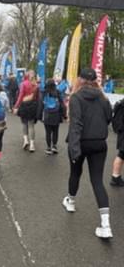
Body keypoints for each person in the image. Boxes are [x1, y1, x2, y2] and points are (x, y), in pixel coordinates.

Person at [63, 68, 114, 239]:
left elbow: (76, 124)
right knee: (97, 181)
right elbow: (108, 118)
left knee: (75, 173)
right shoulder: (103, 98)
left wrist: (74, 149)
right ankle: (105, 225)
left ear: (80, 80)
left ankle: (71, 201)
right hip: (99, 142)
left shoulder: (76, 98)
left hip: (81, 142)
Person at [13, 69, 39, 152]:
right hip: (33, 106)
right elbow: (37, 97)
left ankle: (25, 140)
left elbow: (20, 96)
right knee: (31, 125)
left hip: (24, 105)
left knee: (24, 123)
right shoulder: (36, 84)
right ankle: (32, 145)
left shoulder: (23, 84)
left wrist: (16, 106)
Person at [40, 79, 66, 155]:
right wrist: (64, 115)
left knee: (48, 132)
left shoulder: (44, 92)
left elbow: (41, 104)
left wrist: (39, 115)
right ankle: (54, 146)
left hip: (47, 114)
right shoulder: (57, 92)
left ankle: (48, 148)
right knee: (55, 131)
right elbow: (62, 104)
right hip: (56, 115)